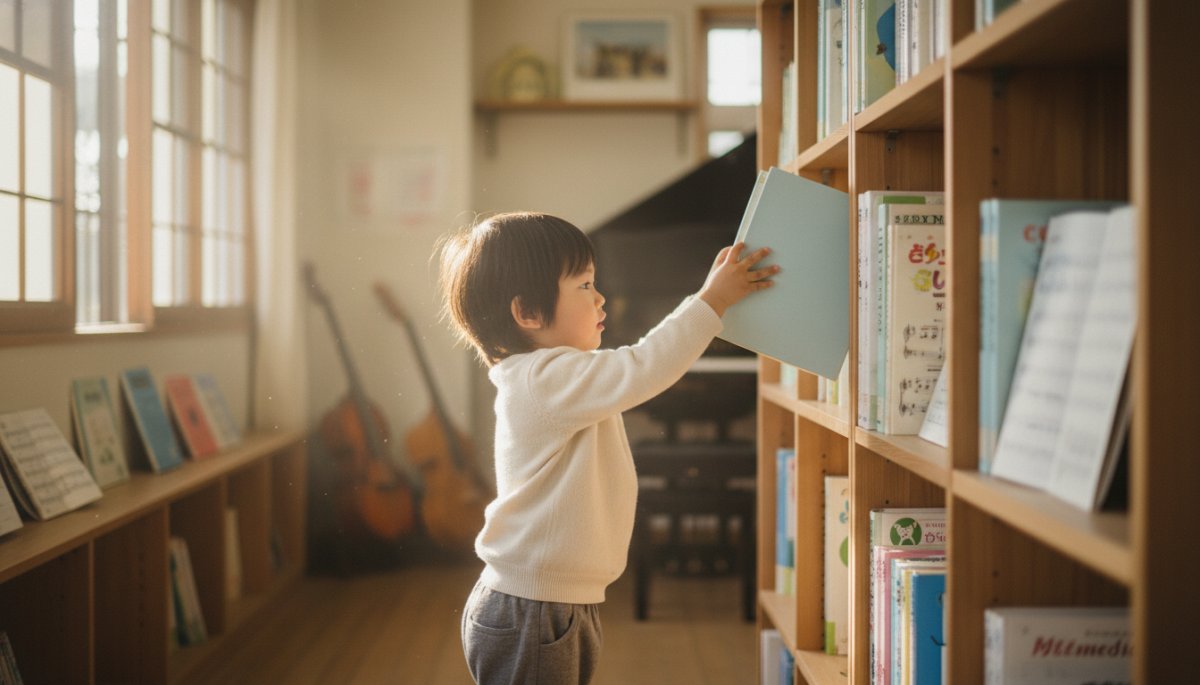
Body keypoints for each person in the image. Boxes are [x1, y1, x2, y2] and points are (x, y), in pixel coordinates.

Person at [438, 212, 776, 684]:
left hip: (555, 602)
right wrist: (712, 300)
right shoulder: (544, 379)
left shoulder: (560, 373)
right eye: (583, 286)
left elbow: (634, 366)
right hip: (533, 608)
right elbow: (643, 365)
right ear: (528, 313)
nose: (601, 298)